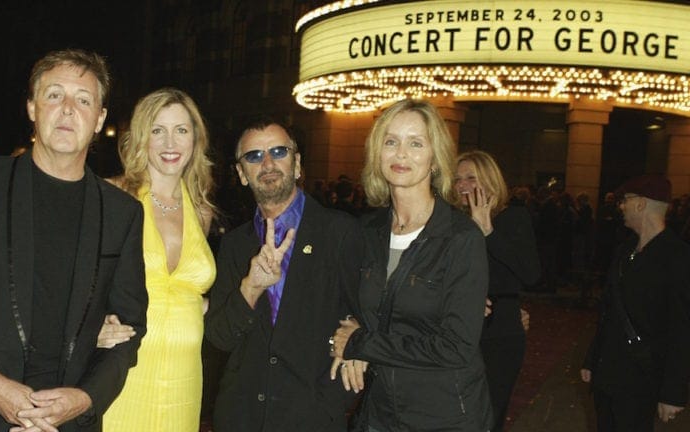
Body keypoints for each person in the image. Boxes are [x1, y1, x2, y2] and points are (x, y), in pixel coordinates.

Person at [0, 48, 148, 432]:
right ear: (32, 108)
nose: (68, 109)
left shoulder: (122, 212)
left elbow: (130, 328)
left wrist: (86, 398)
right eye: (54, 95)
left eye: (83, 100)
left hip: (66, 421)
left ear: (99, 118)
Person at [329, 99, 493, 431]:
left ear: (435, 158)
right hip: (380, 410)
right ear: (377, 153)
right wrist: (350, 333)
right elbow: (346, 301)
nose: (401, 153)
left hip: (445, 415)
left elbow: (456, 348)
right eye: (391, 142)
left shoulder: (461, 238)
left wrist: (361, 343)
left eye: (416, 143)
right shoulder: (366, 232)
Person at [204, 116, 362, 432]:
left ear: (297, 163)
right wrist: (251, 288)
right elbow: (220, 337)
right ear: (241, 174)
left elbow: (370, 314)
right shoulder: (234, 244)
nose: (267, 163)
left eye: (278, 152)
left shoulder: (340, 232)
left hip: (312, 417)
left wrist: (359, 338)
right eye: (253, 156)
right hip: (241, 417)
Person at [97, 88, 217, 432]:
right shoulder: (112, 195)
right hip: (124, 372)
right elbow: (77, 281)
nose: (170, 143)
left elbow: (183, 290)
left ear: (195, 139)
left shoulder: (201, 211)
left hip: (185, 379)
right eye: (157, 130)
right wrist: (92, 327)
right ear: (141, 138)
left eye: (181, 130)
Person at [581, 174, 690, 431]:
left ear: (641, 204)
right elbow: (609, 312)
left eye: (625, 200)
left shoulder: (678, 256)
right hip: (608, 373)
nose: (620, 206)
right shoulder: (624, 250)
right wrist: (592, 358)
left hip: (642, 378)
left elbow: (683, 329)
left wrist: (673, 393)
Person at [454, 150, 541, 431]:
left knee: (489, 414)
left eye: (470, 178)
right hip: (457, 329)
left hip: (500, 331)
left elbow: (531, 274)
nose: (462, 185)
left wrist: (488, 231)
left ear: (490, 180)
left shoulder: (513, 217)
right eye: (457, 179)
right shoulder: (454, 222)